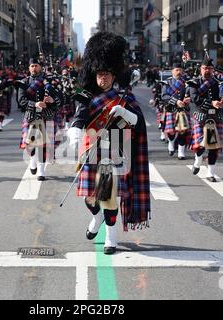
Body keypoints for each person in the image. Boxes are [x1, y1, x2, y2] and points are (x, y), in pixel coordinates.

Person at [67, 32, 151, 255]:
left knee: (109, 196)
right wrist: (75, 131)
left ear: (114, 76)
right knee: (90, 197)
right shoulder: (86, 95)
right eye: (99, 74)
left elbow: (138, 124)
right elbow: (79, 116)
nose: (102, 78)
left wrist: (124, 112)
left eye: (106, 74)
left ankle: (111, 238)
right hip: (90, 149)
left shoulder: (125, 98)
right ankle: (96, 218)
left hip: (113, 151)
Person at [188, 57, 223, 182]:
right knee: (200, 145)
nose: (207, 70)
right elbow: (195, 99)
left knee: (213, 146)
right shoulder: (194, 83)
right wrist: (212, 102)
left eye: (210, 69)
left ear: (213, 70)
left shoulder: (219, 82)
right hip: (201, 116)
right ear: (200, 69)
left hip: (215, 117)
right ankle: (198, 160)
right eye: (205, 68)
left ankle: (210, 173)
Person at [19, 57, 61, 181]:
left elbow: (60, 99)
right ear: (29, 68)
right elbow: (21, 101)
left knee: (43, 145)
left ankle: (41, 171)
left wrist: (53, 101)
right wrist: (35, 104)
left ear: (40, 67)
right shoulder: (24, 82)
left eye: (36, 66)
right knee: (30, 144)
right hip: (31, 116)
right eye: (32, 66)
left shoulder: (49, 82)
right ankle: (32, 161)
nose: (34, 68)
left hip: (46, 116)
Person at [161, 62, 192, 160]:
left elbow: (191, 94)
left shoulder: (187, 82)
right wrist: (176, 101)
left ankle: (181, 152)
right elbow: (164, 96)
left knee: (183, 131)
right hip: (171, 109)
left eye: (180, 70)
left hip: (183, 110)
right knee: (171, 132)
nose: (179, 72)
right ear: (172, 71)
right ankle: (171, 143)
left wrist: (188, 99)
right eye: (177, 70)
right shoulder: (167, 82)